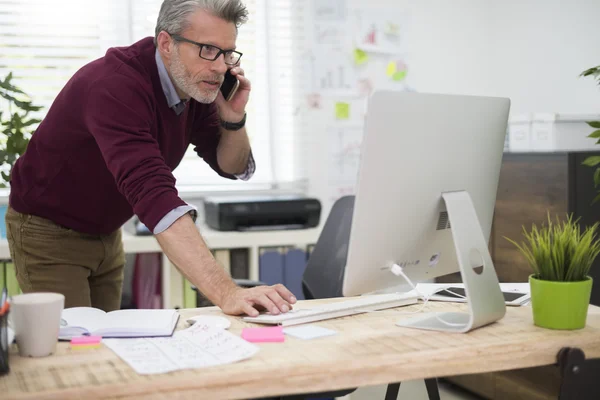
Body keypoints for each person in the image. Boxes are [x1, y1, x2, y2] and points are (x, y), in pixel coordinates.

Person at [5, 0, 296, 317]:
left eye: (227, 53)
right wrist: (227, 293)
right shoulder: (115, 87)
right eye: (208, 50)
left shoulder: (194, 83)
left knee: (107, 344)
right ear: (167, 43)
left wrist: (233, 118)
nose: (221, 67)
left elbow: (232, 166)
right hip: (49, 230)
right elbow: (153, 193)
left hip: (107, 231)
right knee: (74, 349)